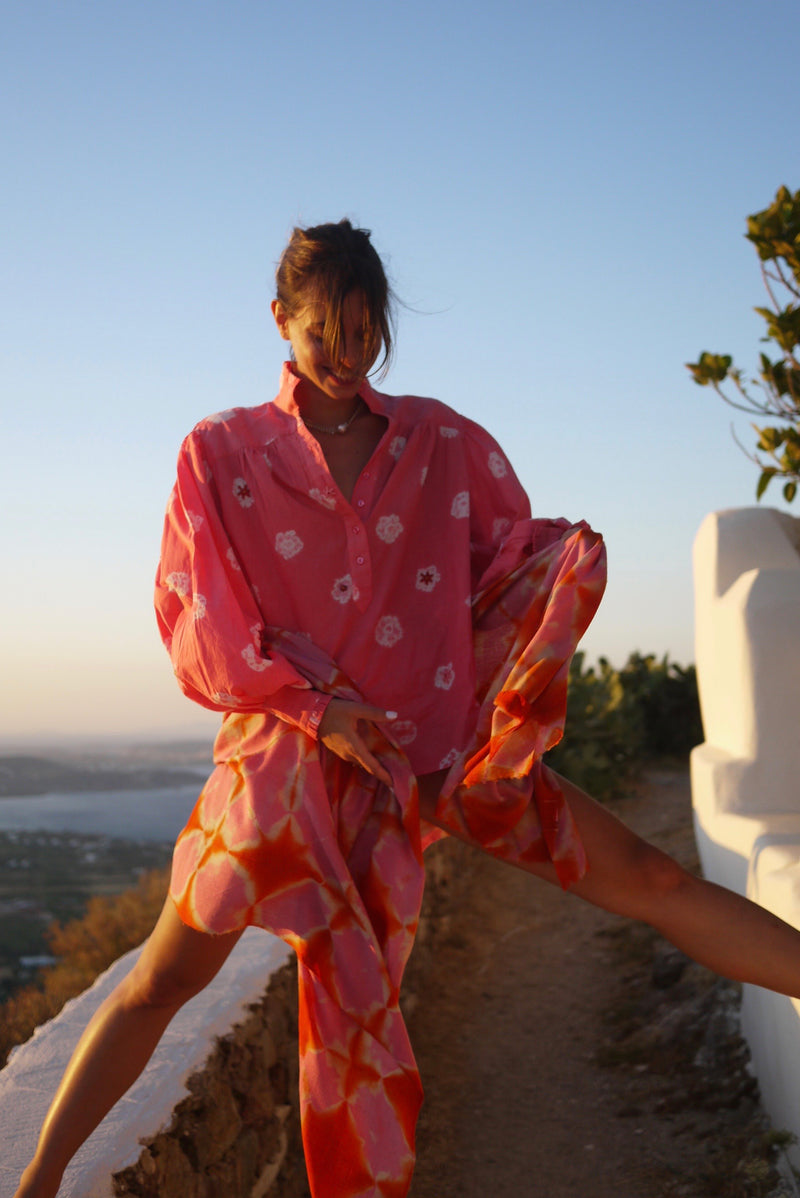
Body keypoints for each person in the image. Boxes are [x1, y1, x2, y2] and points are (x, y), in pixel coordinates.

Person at [14, 219, 800, 1198]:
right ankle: (37, 1179)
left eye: (364, 333)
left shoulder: (439, 439)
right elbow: (199, 621)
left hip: (440, 752)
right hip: (287, 771)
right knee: (164, 978)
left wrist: (557, 577)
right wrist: (317, 707)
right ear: (279, 321)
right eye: (323, 335)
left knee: (646, 875)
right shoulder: (220, 453)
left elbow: (498, 564)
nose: (346, 357)